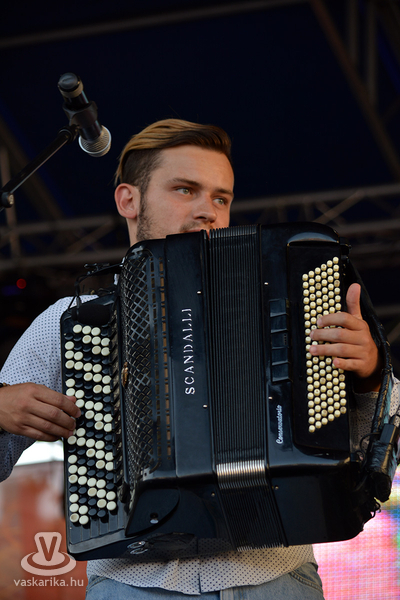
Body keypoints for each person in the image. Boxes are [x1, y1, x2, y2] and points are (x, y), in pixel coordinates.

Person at [0, 118, 398, 600]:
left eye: (221, 197)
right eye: (185, 190)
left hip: (277, 578)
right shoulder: (71, 321)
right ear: (128, 200)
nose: (208, 211)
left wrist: (370, 377)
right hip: (133, 584)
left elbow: (371, 449)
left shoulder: (293, 300)